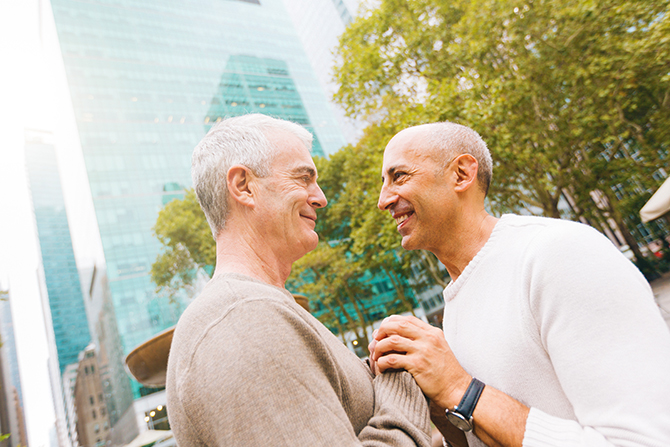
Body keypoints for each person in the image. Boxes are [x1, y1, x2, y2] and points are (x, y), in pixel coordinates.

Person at [370, 122, 670, 447]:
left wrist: (460, 389)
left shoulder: (560, 253)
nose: (383, 200)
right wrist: (442, 410)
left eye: (399, 176)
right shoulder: (455, 309)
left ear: (461, 174)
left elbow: (647, 440)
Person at [166, 114, 432, 446]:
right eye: (303, 178)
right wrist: (398, 378)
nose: (320, 197)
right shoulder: (243, 319)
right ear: (243, 186)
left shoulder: (252, 311)